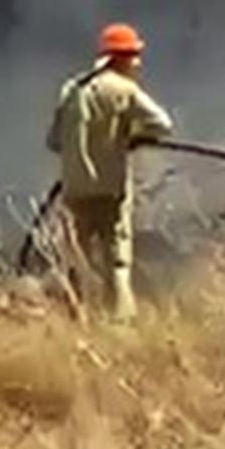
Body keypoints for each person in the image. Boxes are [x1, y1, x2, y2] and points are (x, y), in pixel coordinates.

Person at [46, 23, 172, 323]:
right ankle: (119, 325)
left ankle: (78, 320)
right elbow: (163, 124)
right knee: (117, 261)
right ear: (120, 58)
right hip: (110, 191)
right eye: (134, 56)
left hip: (75, 192)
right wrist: (131, 135)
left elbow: (53, 142)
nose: (138, 63)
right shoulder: (122, 89)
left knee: (77, 259)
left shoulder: (71, 89)